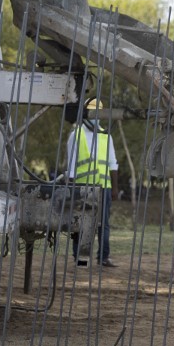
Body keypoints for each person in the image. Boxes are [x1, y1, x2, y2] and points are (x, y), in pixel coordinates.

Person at [66, 98, 119, 267]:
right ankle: (80, 258)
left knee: (104, 224)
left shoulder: (106, 136)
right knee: (82, 223)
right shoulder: (76, 135)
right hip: (83, 187)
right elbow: (71, 166)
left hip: (104, 188)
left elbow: (113, 164)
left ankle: (104, 257)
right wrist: (72, 190)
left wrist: (115, 188)